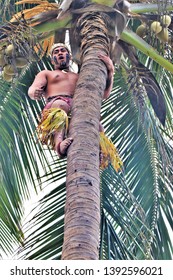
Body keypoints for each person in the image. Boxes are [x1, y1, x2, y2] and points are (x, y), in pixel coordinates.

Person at [28, 43, 114, 157]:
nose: (60, 53)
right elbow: (33, 89)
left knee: (98, 126)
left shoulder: (79, 76)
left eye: (63, 50)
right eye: (56, 52)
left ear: (69, 56)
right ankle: (59, 145)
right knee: (60, 106)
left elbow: (104, 94)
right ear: (53, 61)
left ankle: (99, 154)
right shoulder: (47, 73)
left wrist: (110, 71)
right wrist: (34, 93)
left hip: (78, 107)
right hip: (57, 105)